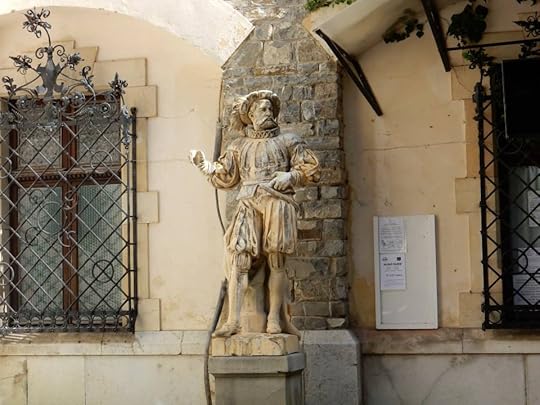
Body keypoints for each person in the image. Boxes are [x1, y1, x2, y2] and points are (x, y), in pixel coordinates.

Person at [190, 90, 320, 337]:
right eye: (262, 109)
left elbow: (311, 168)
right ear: (250, 115)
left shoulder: (288, 140)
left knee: (277, 259)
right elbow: (226, 175)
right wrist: (204, 165)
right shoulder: (238, 146)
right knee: (239, 257)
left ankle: (274, 319)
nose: (268, 112)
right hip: (248, 201)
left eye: (270, 109)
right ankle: (233, 321)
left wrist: (291, 176)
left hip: (278, 200)